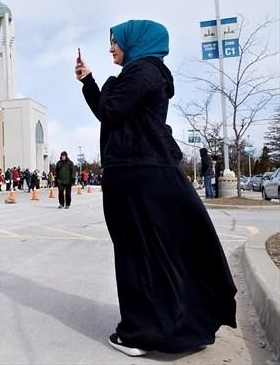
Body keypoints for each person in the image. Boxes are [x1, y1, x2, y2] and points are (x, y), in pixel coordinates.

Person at [75, 20, 236, 356]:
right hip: (144, 171)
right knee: (161, 251)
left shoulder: (141, 71)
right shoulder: (146, 73)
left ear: (136, 42)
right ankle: (180, 324)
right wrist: (88, 81)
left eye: (115, 42)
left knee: (137, 253)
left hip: (136, 173)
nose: (111, 49)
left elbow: (110, 109)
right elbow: (111, 114)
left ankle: (139, 333)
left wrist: (99, 82)